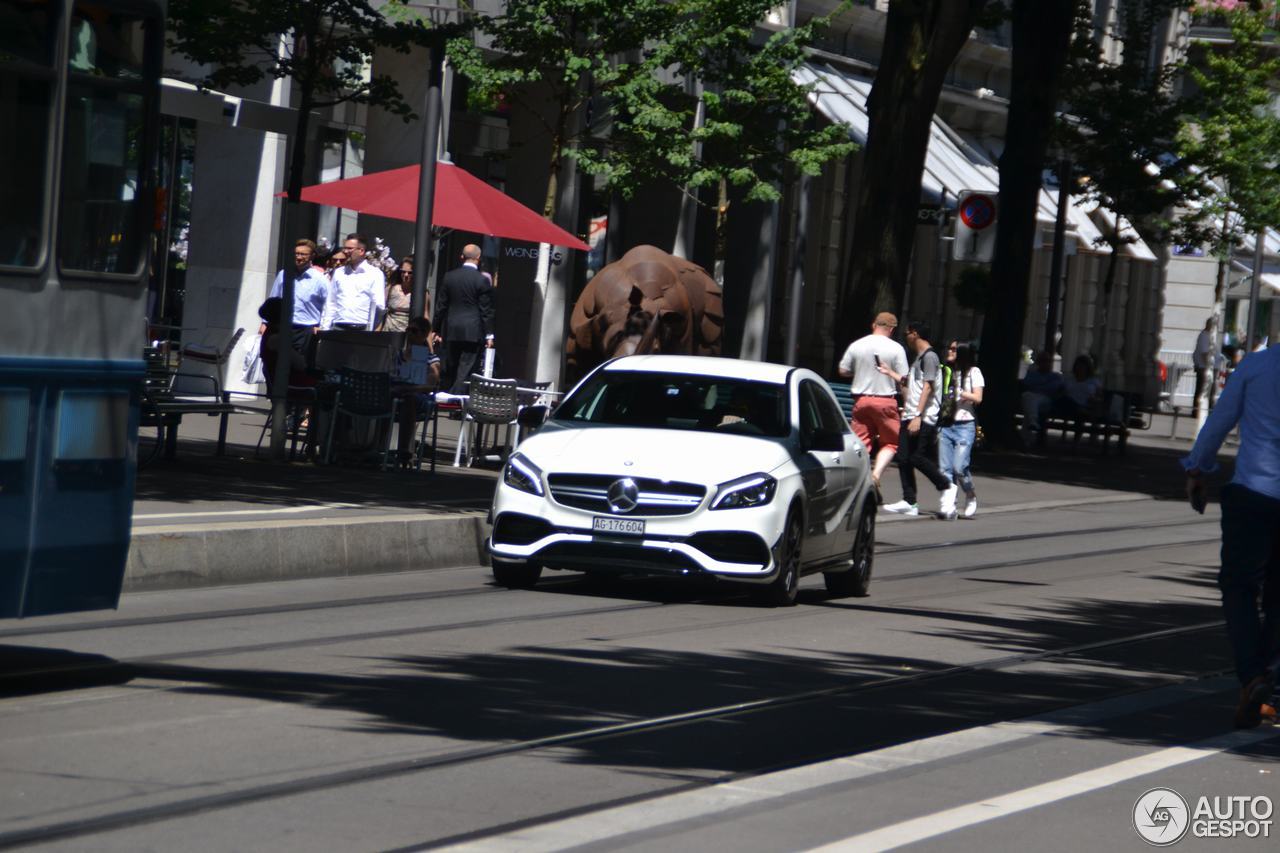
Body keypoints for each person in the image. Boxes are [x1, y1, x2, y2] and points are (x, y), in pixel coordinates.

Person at [1182, 343, 1280, 728]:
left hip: (1253, 492)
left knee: (1238, 587)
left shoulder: (1256, 365)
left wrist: (1196, 469)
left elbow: (1220, 420)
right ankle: (1269, 684)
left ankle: (1252, 676)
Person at [878, 320, 957, 517]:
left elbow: (928, 387)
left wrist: (918, 416)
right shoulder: (919, 358)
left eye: (907, 333)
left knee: (917, 457)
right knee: (904, 457)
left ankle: (946, 486)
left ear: (915, 334)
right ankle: (909, 501)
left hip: (923, 417)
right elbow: (913, 384)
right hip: (911, 414)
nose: (906, 337)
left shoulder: (929, 357)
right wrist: (890, 373)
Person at [836, 311, 909, 490]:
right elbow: (904, 379)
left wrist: (860, 372)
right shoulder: (896, 348)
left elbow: (842, 370)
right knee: (891, 443)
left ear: (873, 325)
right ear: (891, 329)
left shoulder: (857, 345)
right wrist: (907, 405)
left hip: (861, 401)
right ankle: (875, 475)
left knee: (860, 444)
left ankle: (858, 481)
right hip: (886, 402)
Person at [435, 244, 495, 394]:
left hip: (452, 329)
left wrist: (435, 329)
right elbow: (485, 310)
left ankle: (450, 396)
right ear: (479, 258)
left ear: (461, 257)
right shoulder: (482, 280)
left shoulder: (449, 277)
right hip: (473, 331)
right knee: (466, 369)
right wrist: (489, 334)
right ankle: (457, 402)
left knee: (453, 366)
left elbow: (441, 306)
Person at [938, 341, 984, 519]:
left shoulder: (974, 372)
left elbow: (978, 398)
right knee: (944, 468)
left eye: (953, 349)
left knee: (959, 466)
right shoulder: (947, 371)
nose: (949, 351)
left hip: (965, 425)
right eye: (949, 348)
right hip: (947, 423)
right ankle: (949, 505)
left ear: (962, 353)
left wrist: (961, 393)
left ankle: (970, 494)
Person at [262, 238, 327, 360]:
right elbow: (273, 298)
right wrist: (265, 322)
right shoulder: (284, 274)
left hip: (304, 330)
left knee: (299, 366)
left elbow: (328, 305)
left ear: (312, 256)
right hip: (281, 328)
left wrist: (321, 326)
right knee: (274, 362)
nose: (299, 257)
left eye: (303, 254)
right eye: (296, 253)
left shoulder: (320, 280)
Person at [392, 316, 442, 466]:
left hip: (419, 396)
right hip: (398, 392)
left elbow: (431, 384)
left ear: (424, 334)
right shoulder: (398, 355)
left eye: (414, 331)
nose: (410, 334)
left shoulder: (430, 358)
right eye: (408, 330)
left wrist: (410, 388)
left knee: (410, 399)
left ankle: (404, 451)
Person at [320, 233, 385, 331]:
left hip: (362, 328)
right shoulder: (339, 273)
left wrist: (371, 331)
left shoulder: (375, 274)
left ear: (361, 251)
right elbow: (331, 302)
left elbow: (378, 305)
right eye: (344, 248)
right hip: (338, 327)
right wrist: (324, 328)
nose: (345, 251)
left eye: (350, 248)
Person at [1020, 350, 1065, 447]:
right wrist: (1044, 385)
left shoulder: (1056, 376)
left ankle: (1027, 434)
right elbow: (1026, 384)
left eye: (1047, 361)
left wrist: (1038, 386)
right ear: (1038, 362)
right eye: (1042, 361)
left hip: (1046, 402)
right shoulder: (1031, 374)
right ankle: (1032, 424)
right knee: (1028, 397)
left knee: (1028, 398)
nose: (1045, 363)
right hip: (1032, 399)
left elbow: (1054, 388)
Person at [382, 254, 422, 333]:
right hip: (388, 331)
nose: (406, 275)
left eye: (410, 272)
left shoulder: (420, 293)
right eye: (403, 272)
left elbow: (425, 316)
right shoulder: (391, 288)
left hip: (408, 333)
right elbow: (381, 311)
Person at [1193, 317, 1216, 416]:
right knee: (1203, 390)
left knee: (1205, 390)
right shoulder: (1204, 336)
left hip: (1206, 367)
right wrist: (1208, 367)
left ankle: (1203, 410)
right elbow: (1204, 353)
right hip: (1204, 367)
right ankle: (1197, 411)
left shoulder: (1209, 336)